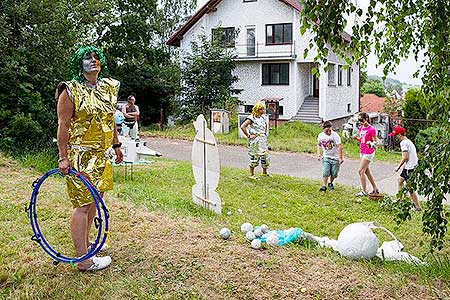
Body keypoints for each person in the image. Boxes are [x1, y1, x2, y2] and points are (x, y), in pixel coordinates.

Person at [56, 45, 123, 272]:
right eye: (87, 57)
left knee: (95, 202)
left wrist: (116, 144)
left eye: (96, 57)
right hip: (80, 156)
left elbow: (109, 119)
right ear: (79, 63)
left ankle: (87, 249)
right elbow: (63, 125)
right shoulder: (70, 90)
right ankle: (83, 260)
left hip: (102, 155)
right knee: (83, 206)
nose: (93, 61)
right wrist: (63, 157)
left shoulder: (108, 88)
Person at [389, 126, 422, 211]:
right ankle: (400, 200)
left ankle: (417, 207)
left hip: (410, 168)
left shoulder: (403, 143)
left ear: (399, 135)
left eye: (395, 135)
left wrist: (398, 167)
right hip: (410, 166)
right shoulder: (408, 141)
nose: (395, 137)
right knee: (400, 180)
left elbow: (405, 157)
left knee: (410, 187)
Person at [240, 102, 270, 179]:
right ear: (257, 109)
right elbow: (243, 126)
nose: (264, 110)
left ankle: (264, 172)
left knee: (265, 156)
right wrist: (249, 135)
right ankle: (251, 174)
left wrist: (264, 133)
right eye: (261, 109)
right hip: (255, 141)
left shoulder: (263, 117)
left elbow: (266, 125)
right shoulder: (251, 118)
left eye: (264, 109)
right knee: (255, 156)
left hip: (263, 140)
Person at [354, 112, 380, 197]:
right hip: (362, 151)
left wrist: (371, 143)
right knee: (367, 172)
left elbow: (375, 142)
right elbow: (362, 140)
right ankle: (375, 188)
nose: (360, 122)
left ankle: (364, 191)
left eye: (361, 120)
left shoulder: (371, 129)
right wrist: (357, 138)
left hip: (369, 152)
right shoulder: (361, 128)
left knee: (361, 171)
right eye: (359, 120)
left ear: (366, 119)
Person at [317, 121, 344, 192]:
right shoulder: (320, 136)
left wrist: (340, 157)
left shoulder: (335, 135)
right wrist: (319, 153)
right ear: (323, 129)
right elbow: (319, 145)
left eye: (330, 130)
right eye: (327, 131)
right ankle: (324, 186)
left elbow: (339, 146)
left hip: (335, 158)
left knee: (334, 173)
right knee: (325, 171)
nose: (329, 132)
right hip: (326, 156)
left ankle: (330, 182)